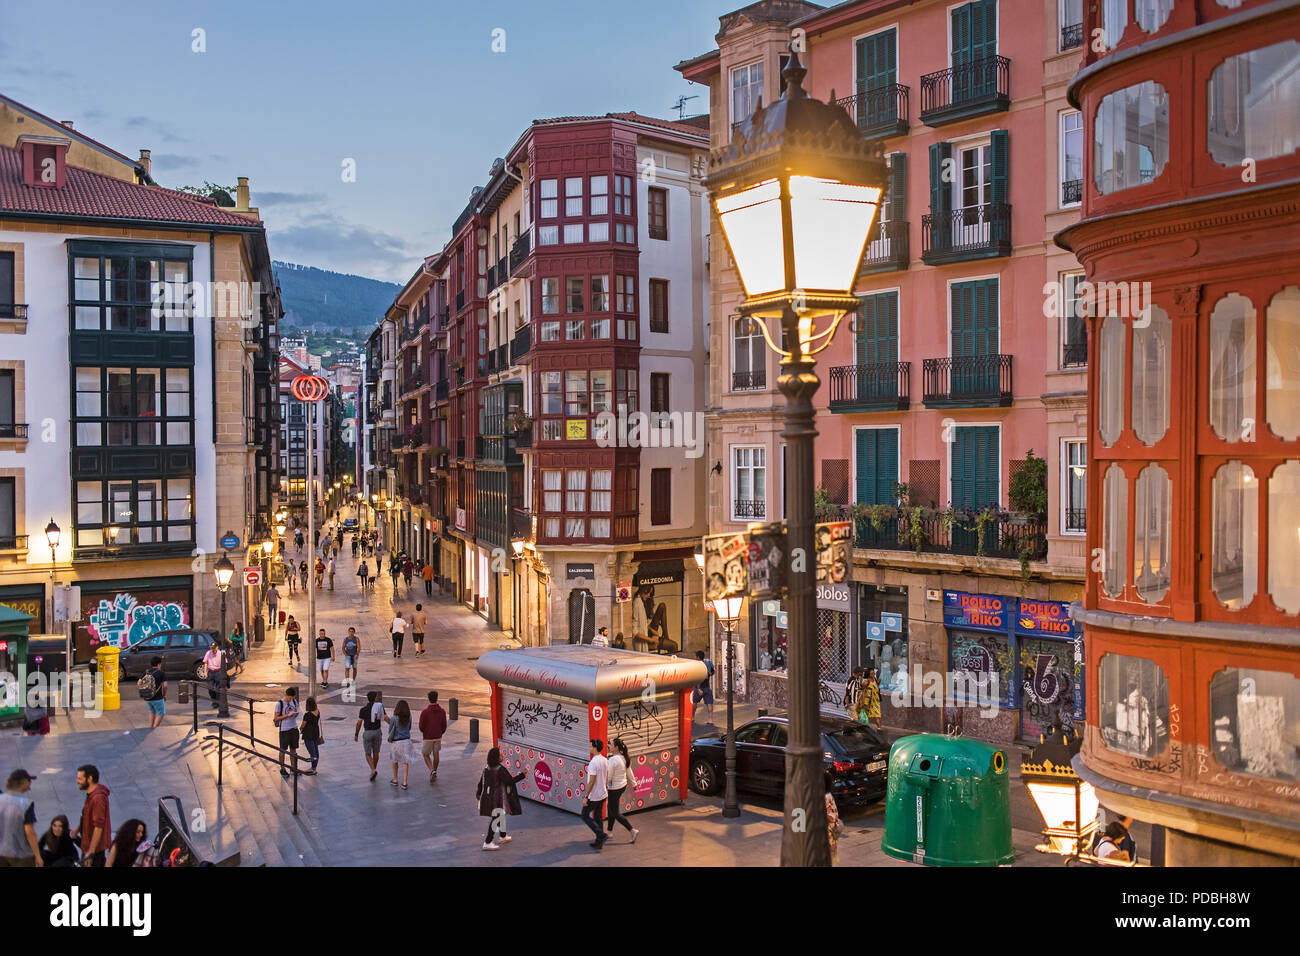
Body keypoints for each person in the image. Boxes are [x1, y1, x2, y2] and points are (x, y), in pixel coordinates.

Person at [477, 747, 526, 850]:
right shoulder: (500, 769)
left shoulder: (487, 768)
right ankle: (488, 842)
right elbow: (510, 781)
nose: (502, 756)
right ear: (496, 758)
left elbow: (481, 782)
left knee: (501, 816)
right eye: (500, 755)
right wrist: (523, 775)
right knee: (496, 819)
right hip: (498, 799)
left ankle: (502, 836)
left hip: (490, 798)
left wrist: (478, 794)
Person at [0, 769, 41, 867]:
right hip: (21, 855)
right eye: (29, 781)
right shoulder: (26, 804)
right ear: (24, 782)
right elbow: (29, 832)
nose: (30, 785)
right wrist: (38, 856)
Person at [73, 764, 111, 867]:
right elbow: (85, 816)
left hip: (94, 850)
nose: (77, 781)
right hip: (88, 846)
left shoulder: (97, 799)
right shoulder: (91, 794)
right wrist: (77, 830)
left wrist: (91, 852)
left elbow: (98, 826)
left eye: (80, 779)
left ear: (89, 779)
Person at [605, 738, 639, 844]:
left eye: (610, 744)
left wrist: (601, 784)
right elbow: (629, 770)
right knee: (611, 808)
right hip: (621, 786)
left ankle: (632, 830)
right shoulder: (623, 757)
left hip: (614, 788)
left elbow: (609, 777)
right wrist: (634, 784)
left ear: (615, 748)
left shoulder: (613, 760)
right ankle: (609, 832)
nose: (608, 746)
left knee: (615, 812)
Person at [581, 739, 610, 850]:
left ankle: (601, 834)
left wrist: (586, 796)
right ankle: (599, 842)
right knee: (598, 817)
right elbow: (606, 777)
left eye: (590, 746)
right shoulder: (604, 760)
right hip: (602, 793)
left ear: (595, 747)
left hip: (594, 796)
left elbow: (591, 781)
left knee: (584, 815)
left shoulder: (593, 762)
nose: (589, 748)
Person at [355, 690, 385, 782]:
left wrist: (356, 734)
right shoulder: (379, 707)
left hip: (368, 732)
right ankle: (374, 769)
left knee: (368, 754)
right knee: (376, 752)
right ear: (375, 698)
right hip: (377, 731)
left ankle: (373, 770)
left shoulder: (363, 710)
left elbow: (359, 723)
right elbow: (386, 718)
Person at [419, 691, 448, 781]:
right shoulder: (442, 711)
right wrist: (440, 732)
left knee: (425, 754)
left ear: (429, 699)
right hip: (438, 736)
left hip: (428, 736)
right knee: (436, 754)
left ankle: (432, 770)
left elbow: (421, 726)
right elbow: (444, 725)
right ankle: (434, 771)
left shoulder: (425, 712)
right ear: (437, 698)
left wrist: (425, 732)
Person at [387, 699, 415, 790]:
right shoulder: (409, 717)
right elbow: (409, 728)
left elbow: (390, 730)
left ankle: (395, 779)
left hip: (396, 742)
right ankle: (405, 782)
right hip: (406, 741)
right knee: (405, 762)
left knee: (395, 761)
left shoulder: (394, 718)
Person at [273, 687, 301, 778]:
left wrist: (295, 713)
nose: (291, 700)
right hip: (284, 729)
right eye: (290, 698)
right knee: (283, 750)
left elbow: (296, 712)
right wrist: (287, 715)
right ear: (286, 695)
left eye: (292, 698)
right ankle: (282, 768)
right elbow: (276, 718)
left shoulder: (294, 702)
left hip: (293, 727)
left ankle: (293, 768)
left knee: (293, 749)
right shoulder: (279, 704)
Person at [139, 655, 167, 728]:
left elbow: (139, 682)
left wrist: (145, 690)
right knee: (161, 713)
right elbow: (165, 686)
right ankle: (155, 727)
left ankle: (150, 727)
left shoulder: (146, 672)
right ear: (158, 664)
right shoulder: (161, 673)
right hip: (158, 698)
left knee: (152, 711)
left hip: (148, 697)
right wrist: (164, 695)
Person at [300, 697, 322, 775]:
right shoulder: (317, 712)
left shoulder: (307, 715)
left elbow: (303, 725)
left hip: (308, 734)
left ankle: (313, 769)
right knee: (316, 750)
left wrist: (300, 728)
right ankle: (314, 767)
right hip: (315, 733)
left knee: (312, 751)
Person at [693, 650, 715, 722]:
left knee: (694, 702)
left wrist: (698, 688)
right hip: (707, 686)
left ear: (698, 657)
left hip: (699, 687)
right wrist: (708, 676)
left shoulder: (698, 665)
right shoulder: (708, 662)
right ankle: (710, 719)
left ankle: (692, 717)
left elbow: (698, 677)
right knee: (709, 703)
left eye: (696, 657)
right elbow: (713, 671)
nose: (695, 658)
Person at [203, 640, 225, 711]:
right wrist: (205, 672)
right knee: (210, 688)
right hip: (211, 672)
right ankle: (214, 700)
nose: (213, 649)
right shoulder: (208, 653)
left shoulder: (221, 653)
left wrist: (223, 672)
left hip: (218, 672)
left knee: (218, 689)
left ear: (217, 647)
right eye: (212, 648)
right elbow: (205, 662)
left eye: (214, 648)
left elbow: (224, 663)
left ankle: (216, 702)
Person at [825, 787, 843, 864]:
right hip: (832, 828)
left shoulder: (823, 796)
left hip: (828, 829)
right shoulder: (828, 794)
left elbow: (828, 816)